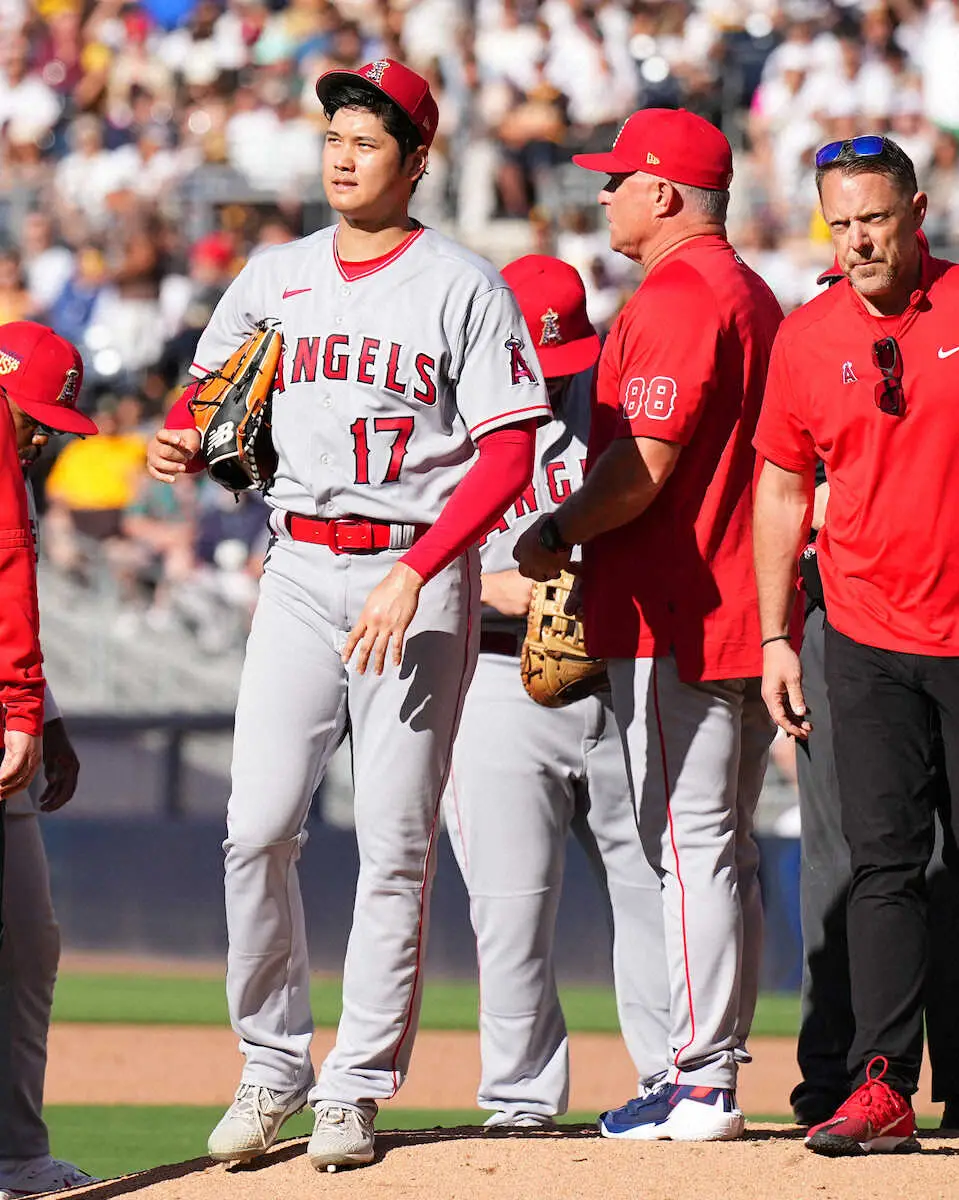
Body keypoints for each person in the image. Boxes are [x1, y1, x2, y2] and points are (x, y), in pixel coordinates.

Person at [147, 58, 550, 1173]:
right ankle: (271, 1063)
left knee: (394, 845)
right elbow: (204, 397)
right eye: (334, 134)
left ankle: (355, 1085)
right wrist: (181, 437)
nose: (341, 153)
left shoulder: (462, 284)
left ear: (415, 160)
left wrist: (423, 566)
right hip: (297, 567)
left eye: (368, 139)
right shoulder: (275, 274)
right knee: (256, 826)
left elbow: (508, 448)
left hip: (415, 579)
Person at [514, 107, 782, 1142]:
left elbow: (643, 466)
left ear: (664, 191)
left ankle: (699, 1077)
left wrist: (555, 527)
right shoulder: (749, 292)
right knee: (724, 850)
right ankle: (711, 1069)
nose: (603, 193)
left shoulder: (678, 294)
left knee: (689, 844)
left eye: (619, 178)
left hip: (684, 607)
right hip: (741, 607)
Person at [753, 133, 959, 1157]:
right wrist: (771, 635)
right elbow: (781, 489)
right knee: (883, 869)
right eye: (841, 221)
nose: (858, 239)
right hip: (864, 634)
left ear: (916, 212)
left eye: (875, 217)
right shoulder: (804, 337)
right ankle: (880, 1085)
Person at [444, 253, 669, 1130]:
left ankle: (670, 1081)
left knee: (649, 885)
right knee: (508, 907)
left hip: (618, 671)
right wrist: (489, 584)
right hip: (496, 674)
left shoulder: (617, 412)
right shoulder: (443, 419)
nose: (552, 380)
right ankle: (520, 1101)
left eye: (565, 360)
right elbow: (399, 553)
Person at [0, 320, 99, 1200]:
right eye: (33, 420)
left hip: (10, 723)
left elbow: (14, 615)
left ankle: (18, 1154)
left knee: (29, 943)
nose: (42, 438)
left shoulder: (16, 480)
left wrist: (45, 715)